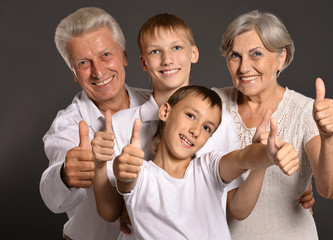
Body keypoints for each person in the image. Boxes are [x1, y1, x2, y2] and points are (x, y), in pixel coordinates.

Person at [90, 13, 240, 239]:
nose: (167, 60)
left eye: (177, 48)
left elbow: (234, 203)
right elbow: (110, 212)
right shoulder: (120, 124)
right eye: (155, 51)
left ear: (194, 53)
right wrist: (99, 168)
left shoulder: (223, 123)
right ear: (143, 62)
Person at [98, 85, 300, 239]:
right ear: (165, 112)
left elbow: (243, 158)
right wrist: (121, 167)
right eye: (190, 115)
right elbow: (125, 179)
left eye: (207, 128)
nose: (195, 130)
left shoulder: (208, 167)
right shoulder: (142, 176)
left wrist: (267, 154)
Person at [213, 10, 333, 239]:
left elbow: (331, 189)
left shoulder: (305, 111)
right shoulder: (213, 105)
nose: (244, 67)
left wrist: (328, 137)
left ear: (281, 57)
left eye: (256, 54)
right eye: (235, 55)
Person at [39, 7, 152, 240]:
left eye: (106, 55)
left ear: (125, 56)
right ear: (74, 73)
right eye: (83, 63)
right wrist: (64, 175)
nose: (99, 72)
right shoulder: (68, 125)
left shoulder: (158, 106)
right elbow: (53, 198)